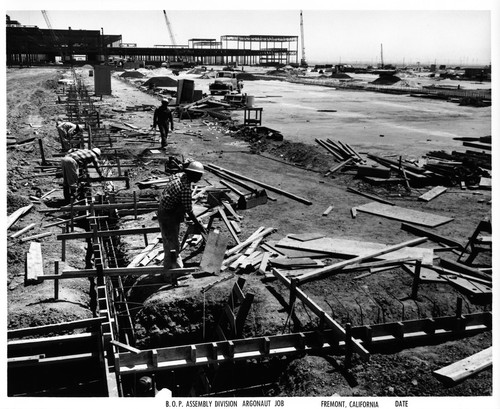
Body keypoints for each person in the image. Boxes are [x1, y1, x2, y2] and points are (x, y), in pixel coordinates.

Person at [157, 161, 207, 284]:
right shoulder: (185, 188)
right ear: (192, 174)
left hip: (165, 211)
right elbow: (189, 210)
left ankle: (173, 269)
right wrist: (198, 224)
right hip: (168, 216)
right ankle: (171, 274)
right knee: (172, 245)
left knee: (169, 243)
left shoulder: (179, 176)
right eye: (199, 175)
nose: (200, 178)